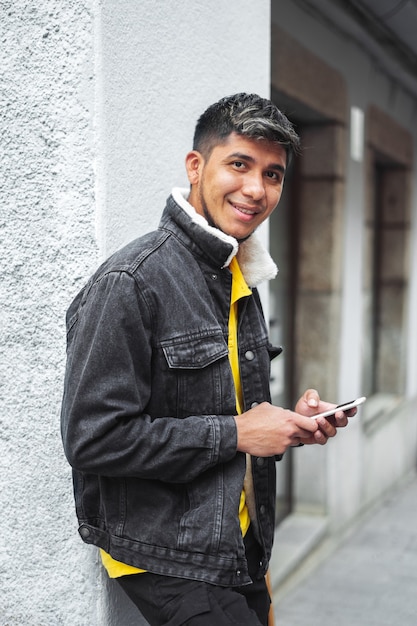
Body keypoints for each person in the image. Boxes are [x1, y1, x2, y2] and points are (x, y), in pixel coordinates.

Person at [61, 93, 353, 626]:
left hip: (237, 541)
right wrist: (239, 434)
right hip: (167, 556)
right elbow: (92, 437)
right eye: (239, 164)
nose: (255, 189)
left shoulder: (239, 271)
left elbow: (222, 404)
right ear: (196, 166)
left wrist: (287, 423)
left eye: (273, 174)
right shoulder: (131, 281)